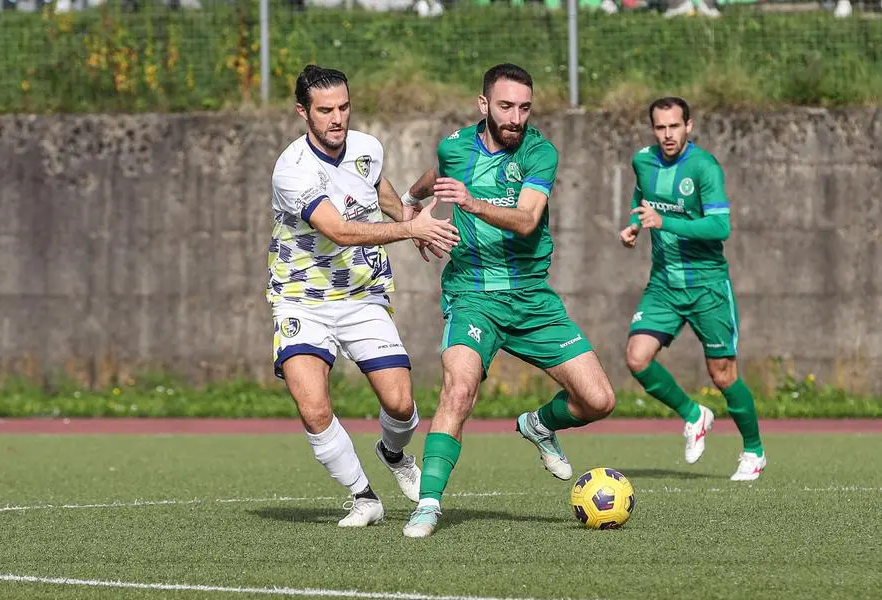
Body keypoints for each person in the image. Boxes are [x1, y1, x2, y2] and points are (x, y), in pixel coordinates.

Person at [397, 63, 617, 538]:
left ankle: (538, 425)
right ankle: (429, 505)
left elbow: (526, 220)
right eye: (505, 106)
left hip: (532, 298)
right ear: (484, 105)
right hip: (472, 294)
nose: (516, 117)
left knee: (599, 400)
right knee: (459, 389)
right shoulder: (455, 147)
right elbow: (437, 173)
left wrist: (471, 201)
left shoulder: (540, 153)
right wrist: (411, 205)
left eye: (524, 107)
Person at [267, 64, 460, 527]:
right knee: (313, 406)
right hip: (301, 298)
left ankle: (394, 454)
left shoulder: (367, 148)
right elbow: (337, 229)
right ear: (303, 112)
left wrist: (410, 217)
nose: (338, 118)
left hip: (361, 295)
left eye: (344, 107)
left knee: (400, 405)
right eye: (325, 110)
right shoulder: (291, 170)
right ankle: (364, 497)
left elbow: (377, 189)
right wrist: (407, 229)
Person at [620, 96, 766, 481]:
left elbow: (720, 228)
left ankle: (754, 451)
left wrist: (662, 223)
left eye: (674, 126)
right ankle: (693, 415)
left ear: (689, 126)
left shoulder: (704, 168)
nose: (667, 134)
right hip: (664, 284)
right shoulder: (643, 161)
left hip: (707, 286)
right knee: (637, 357)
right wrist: (635, 224)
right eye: (660, 127)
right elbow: (643, 198)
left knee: (722, 375)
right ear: (653, 129)